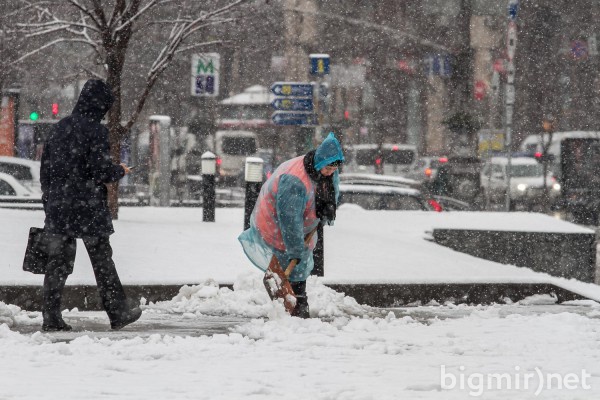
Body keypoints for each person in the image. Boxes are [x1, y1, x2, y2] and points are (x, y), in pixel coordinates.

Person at [40, 79, 141, 331]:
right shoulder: (96, 131)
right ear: (101, 106)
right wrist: (119, 170)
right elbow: (99, 170)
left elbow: (46, 171)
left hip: (59, 206)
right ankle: (118, 312)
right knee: (102, 261)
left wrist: (50, 201)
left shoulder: (60, 128)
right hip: (88, 208)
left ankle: (51, 317)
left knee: (57, 263)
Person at [238, 133, 345, 318]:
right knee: (291, 260)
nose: (330, 172)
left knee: (299, 263)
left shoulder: (326, 171)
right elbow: (289, 220)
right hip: (276, 222)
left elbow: (331, 189)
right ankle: (294, 306)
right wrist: (295, 249)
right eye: (328, 168)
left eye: (334, 169)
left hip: (302, 225)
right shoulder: (295, 180)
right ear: (320, 163)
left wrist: (328, 209)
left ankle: (296, 303)